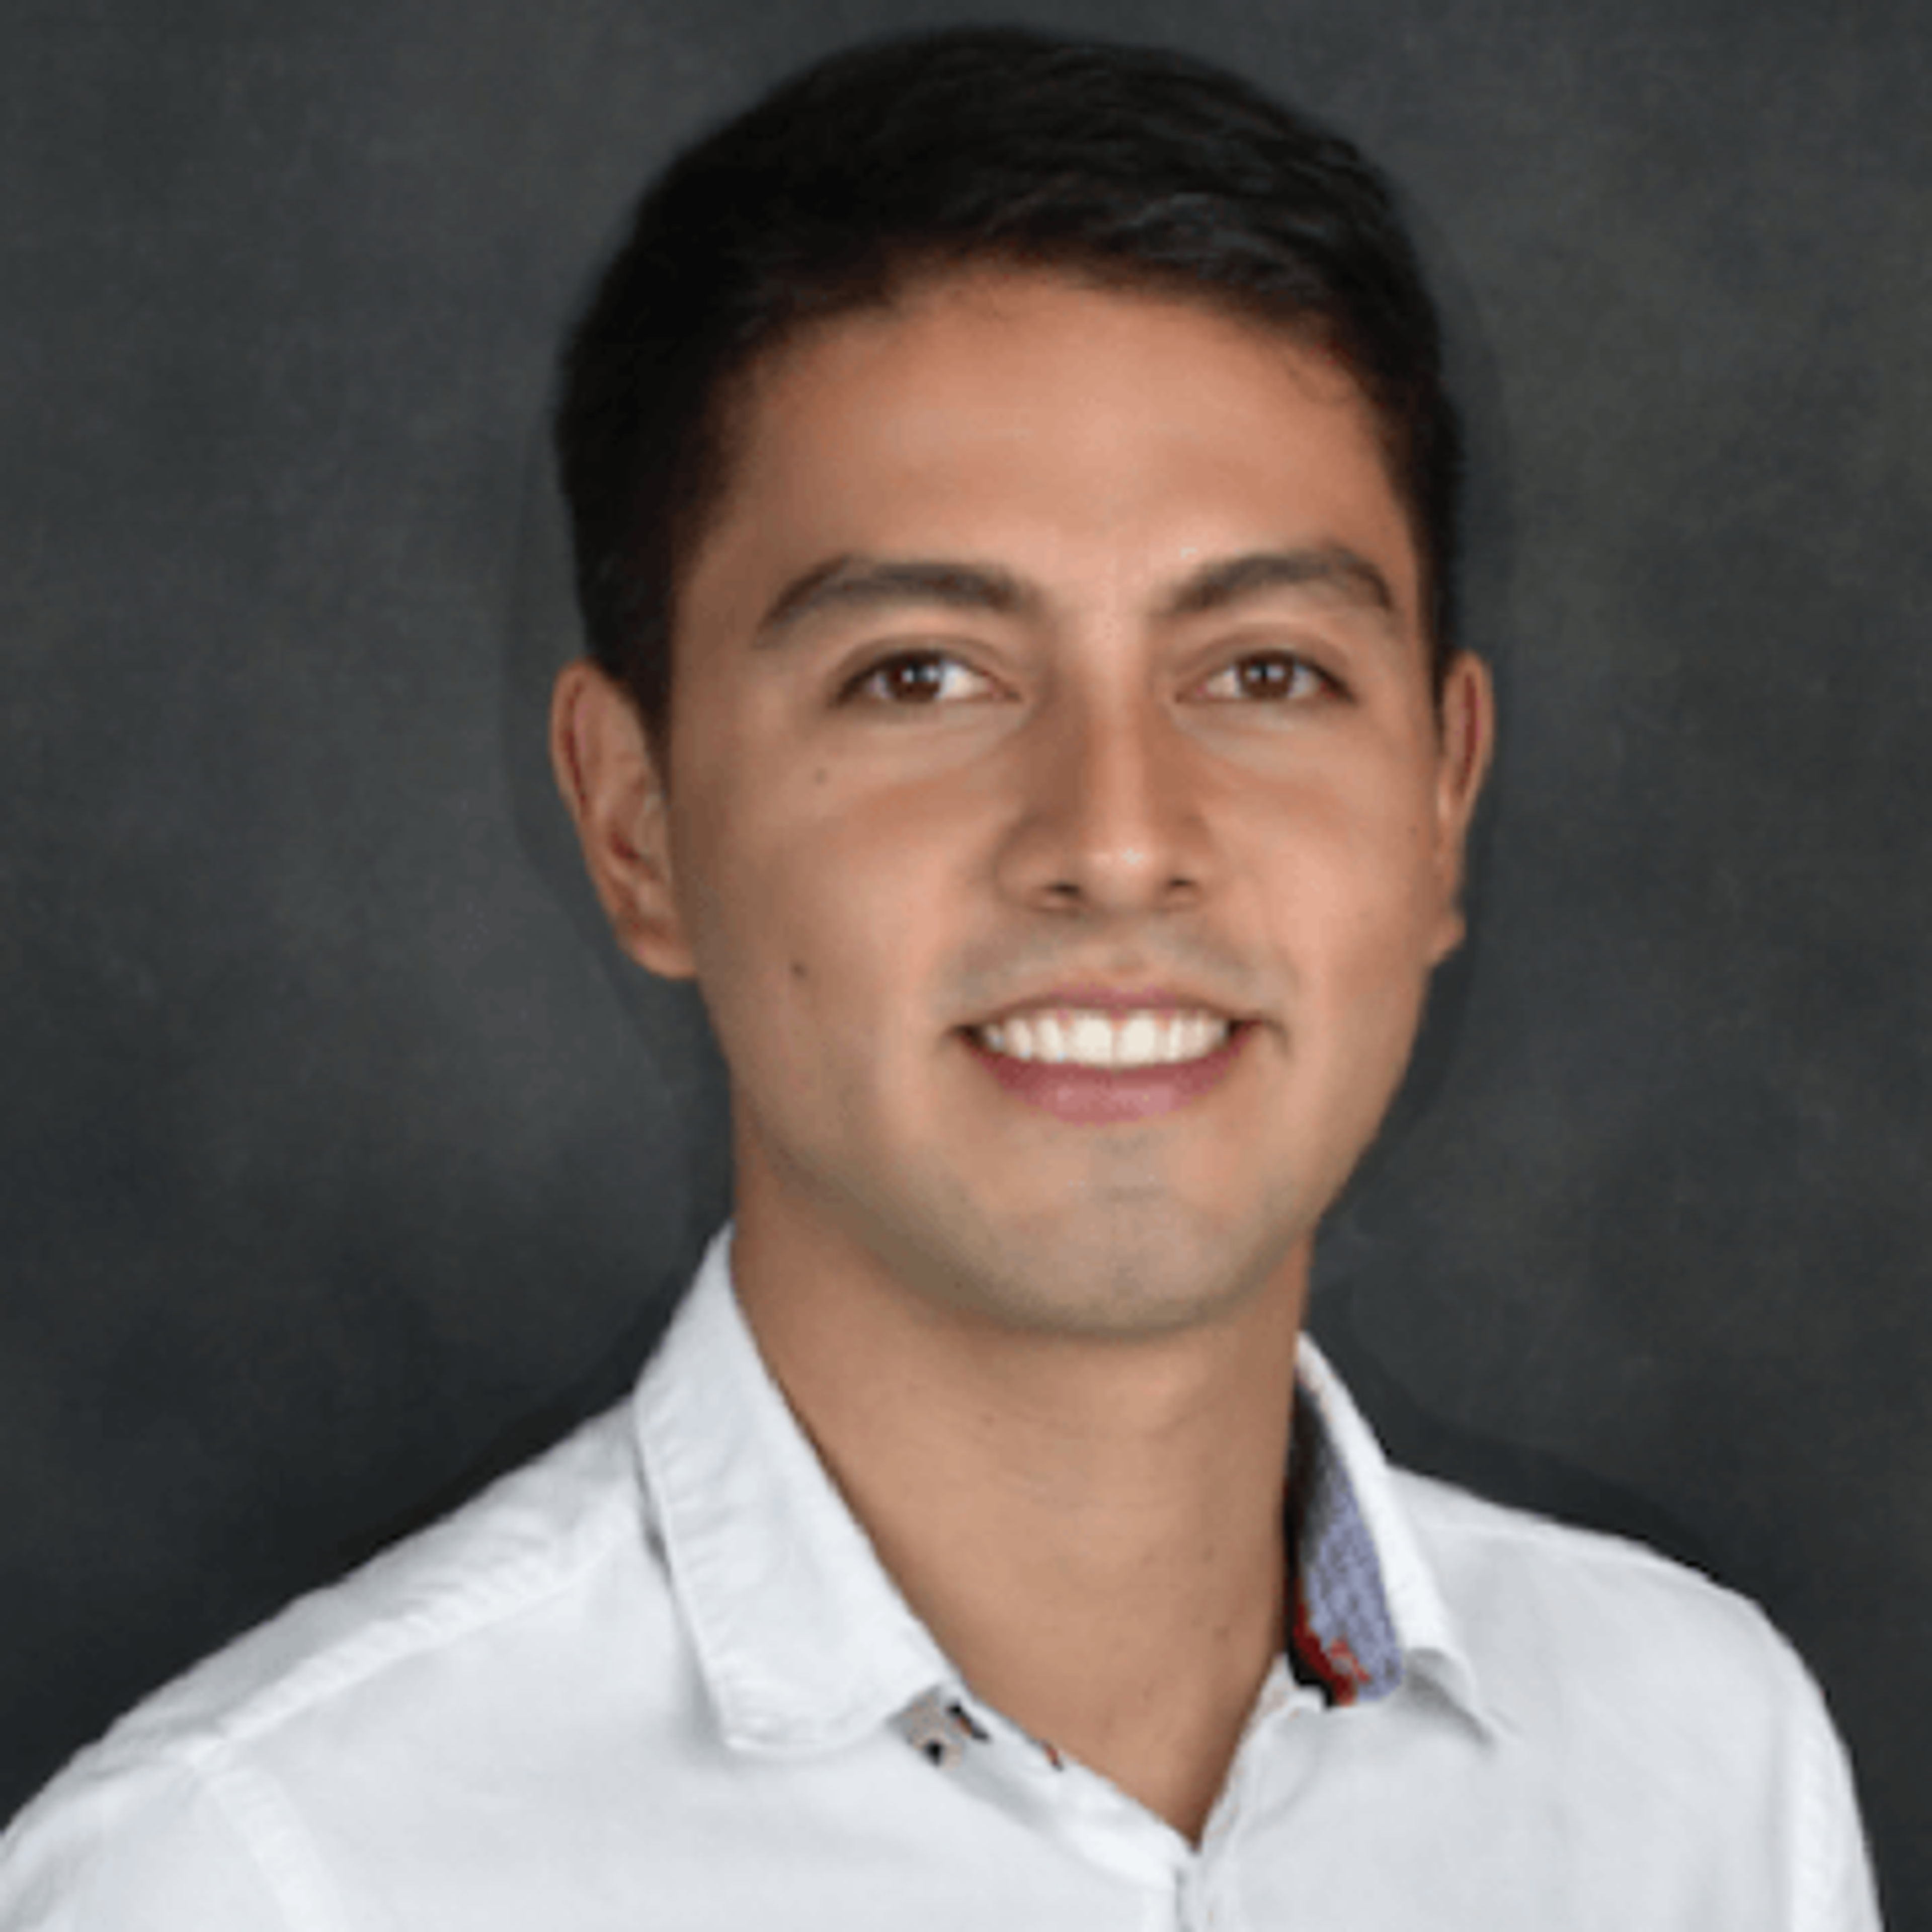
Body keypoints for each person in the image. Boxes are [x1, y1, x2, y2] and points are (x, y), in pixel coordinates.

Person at [0, 24, 1882, 1928]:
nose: (1119, 835)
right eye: (920, 675)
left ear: (1443, 800)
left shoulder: (1698, 1770)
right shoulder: (247, 1880)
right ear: (637, 822)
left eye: (1266, 671)